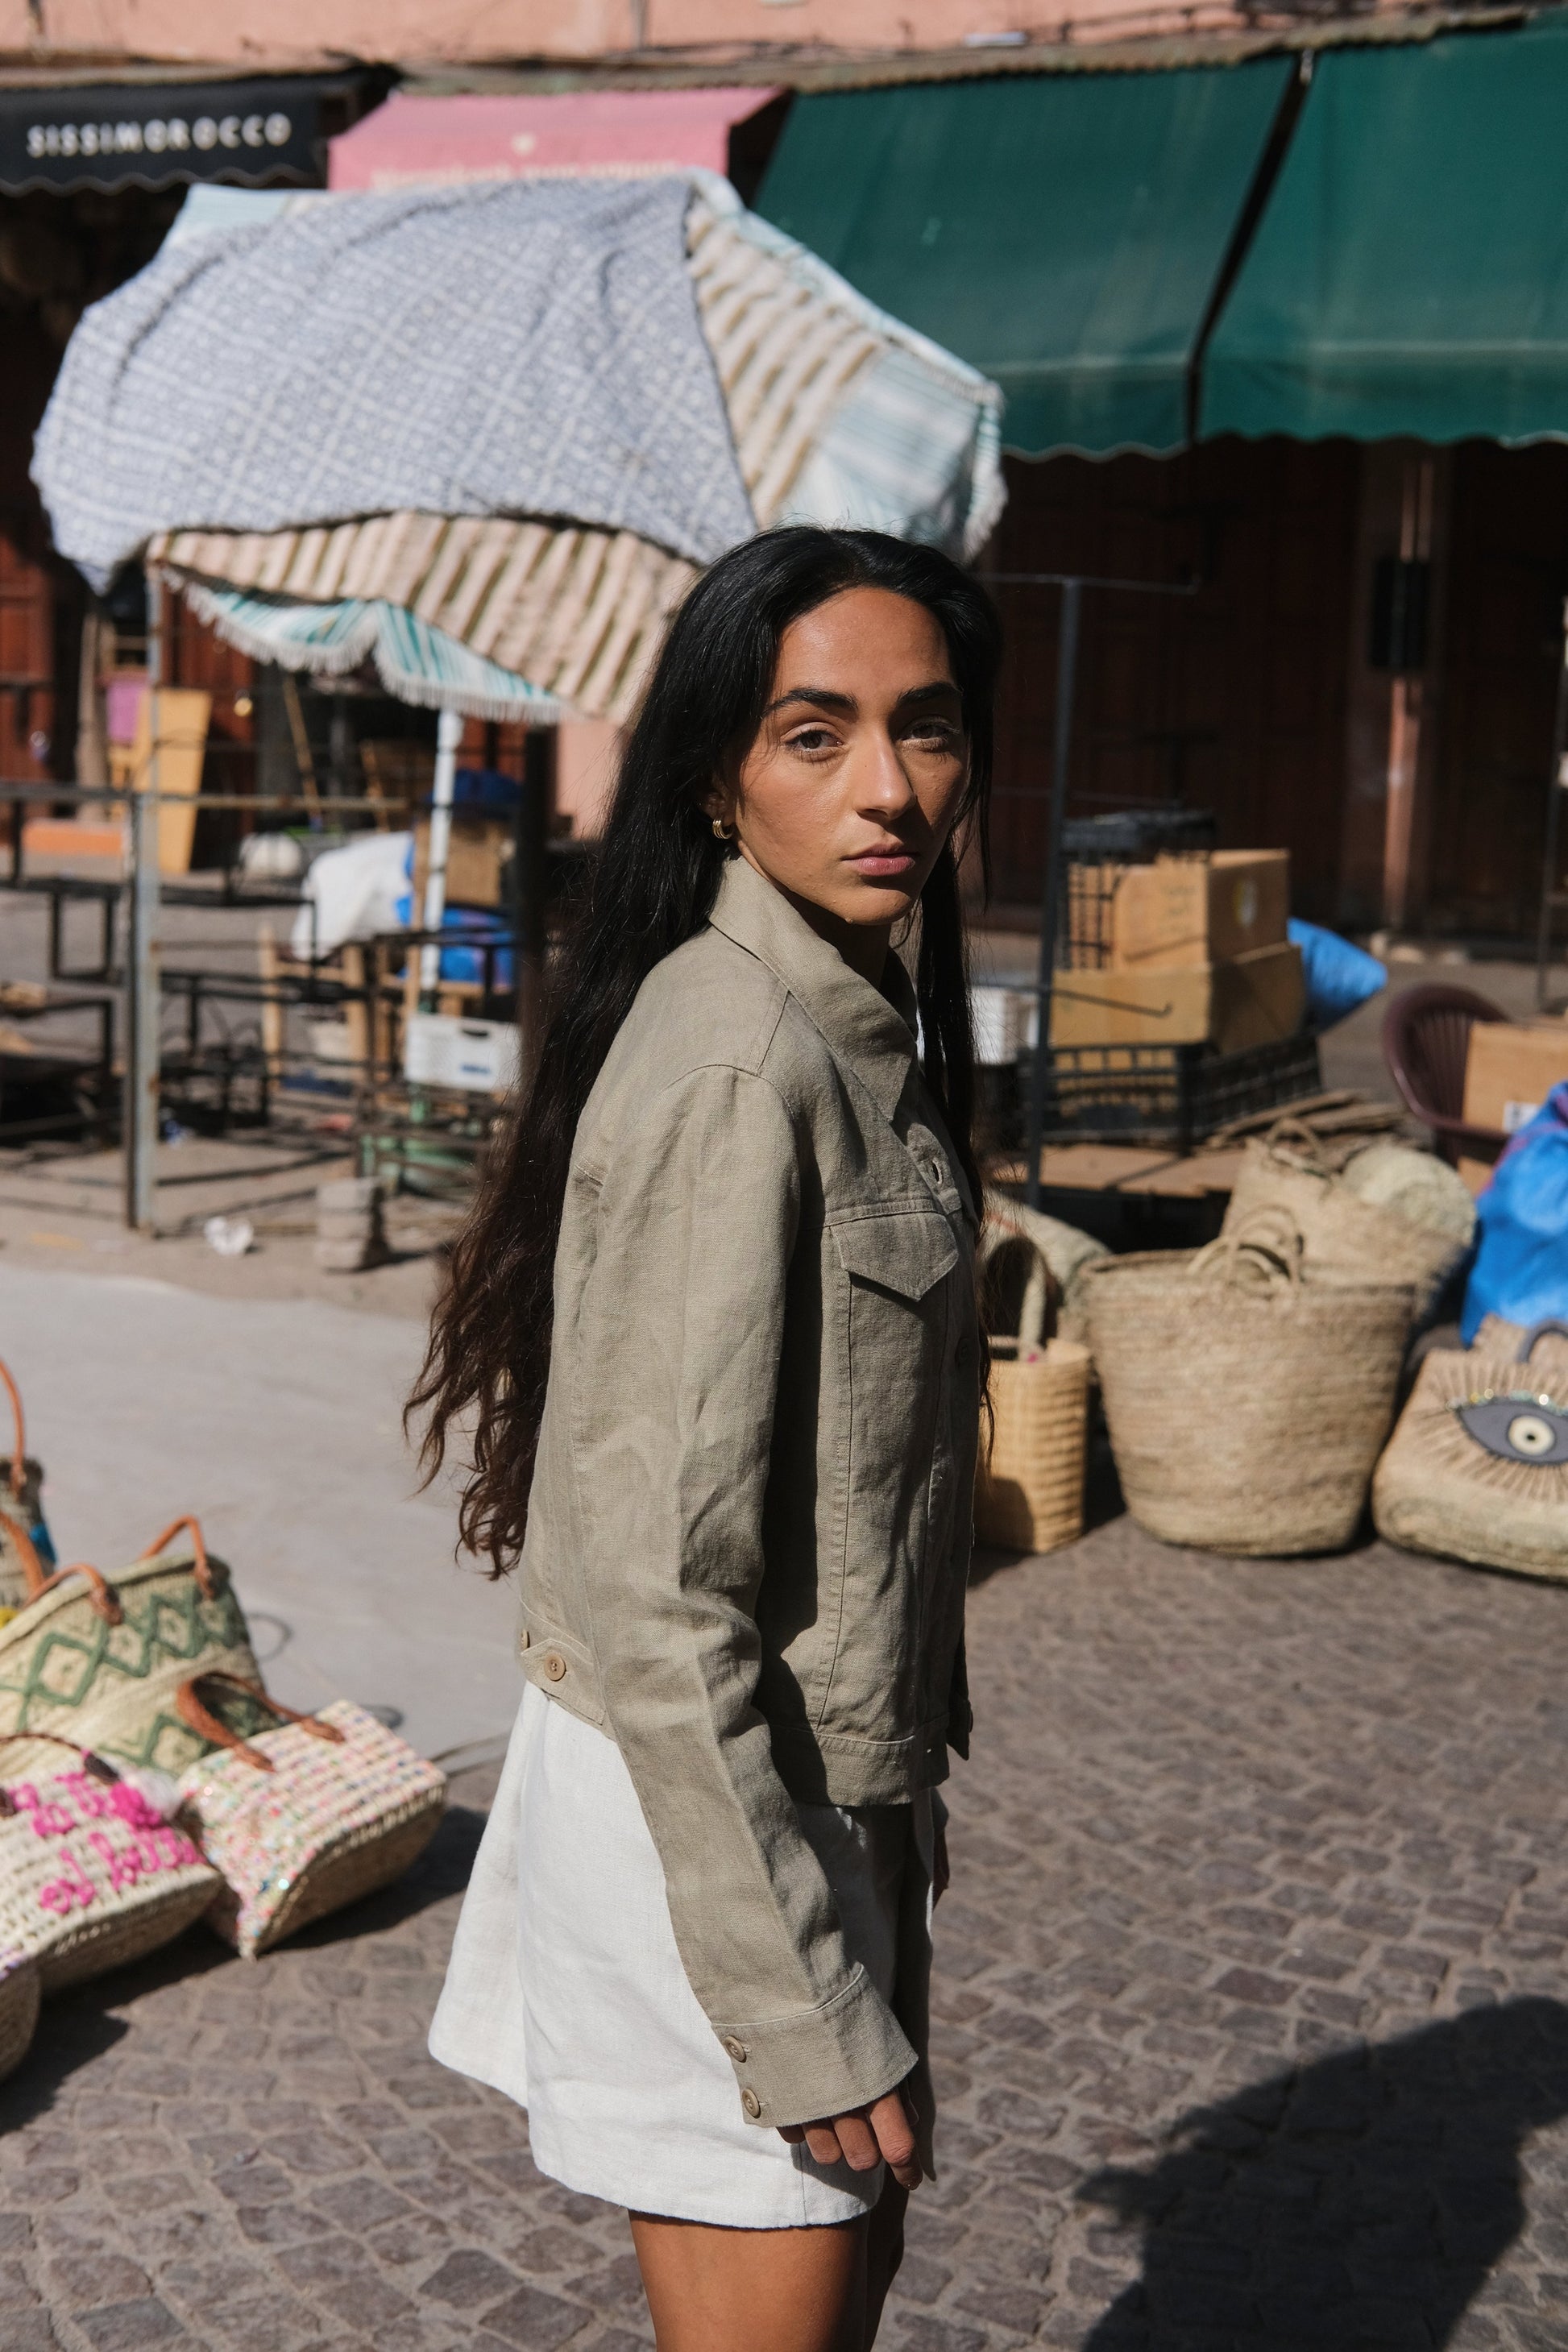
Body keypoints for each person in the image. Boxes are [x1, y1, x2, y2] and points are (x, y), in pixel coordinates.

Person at [414, 525, 998, 2352]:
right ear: (718, 783)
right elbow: (665, 1597)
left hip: (808, 1793)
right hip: (719, 1829)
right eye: (811, 733)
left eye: (926, 726)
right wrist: (793, 1988)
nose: (888, 785)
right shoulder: (745, 1055)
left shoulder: (852, 1018)